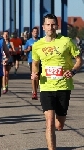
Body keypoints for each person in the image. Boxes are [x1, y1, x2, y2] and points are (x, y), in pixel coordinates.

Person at [31, 14, 82, 150]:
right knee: (49, 122)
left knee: (59, 125)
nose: (50, 27)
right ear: (43, 27)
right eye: (48, 24)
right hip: (46, 86)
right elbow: (35, 63)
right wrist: (34, 74)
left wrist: (72, 71)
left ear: (57, 26)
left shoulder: (66, 41)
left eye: (53, 24)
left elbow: (79, 60)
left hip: (63, 87)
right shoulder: (37, 45)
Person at [24, 27, 40, 100]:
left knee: (38, 77)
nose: (35, 32)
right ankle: (34, 92)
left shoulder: (41, 41)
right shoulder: (29, 41)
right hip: (31, 60)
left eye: (37, 31)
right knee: (34, 75)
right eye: (34, 31)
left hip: (40, 60)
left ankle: (35, 90)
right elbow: (24, 50)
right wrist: (28, 49)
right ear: (32, 33)